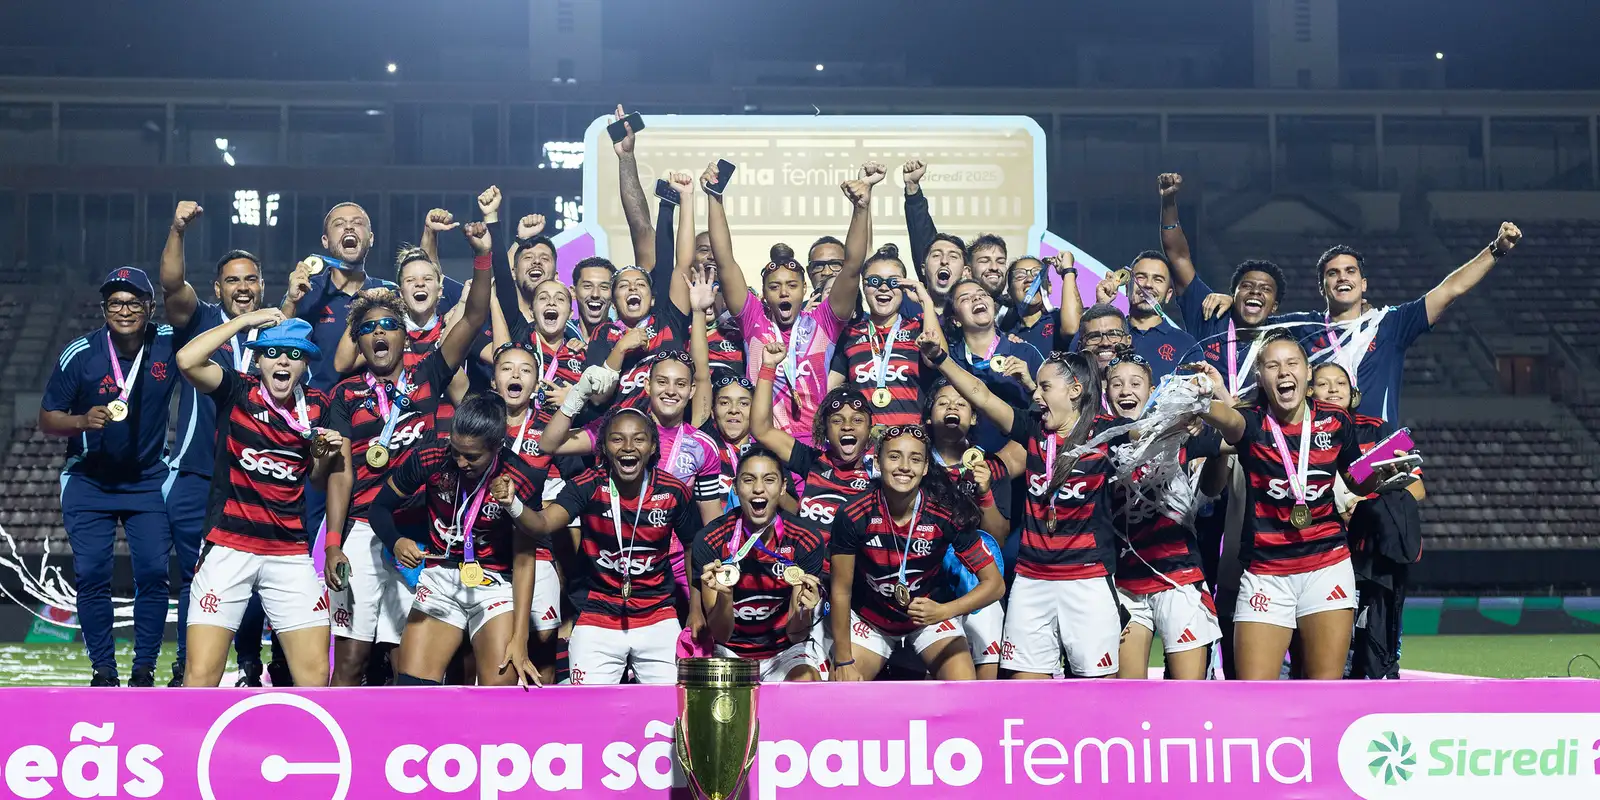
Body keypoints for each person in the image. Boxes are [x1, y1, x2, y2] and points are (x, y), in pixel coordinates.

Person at [321, 221, 495, 686]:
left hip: (419, 530)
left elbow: (474, 316)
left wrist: (482, 255)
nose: (379, 334)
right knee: (351, 661)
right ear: (359, 342)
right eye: (368, 329)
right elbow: (340, 473)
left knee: (410, 663)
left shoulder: (430, 372)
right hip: (362, 530)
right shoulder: (345, 395)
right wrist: (334, 543)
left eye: (388, 326)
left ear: (403, 334)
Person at [1189, 334, 1398, 680]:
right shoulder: (1252, 421)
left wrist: (1381, 475)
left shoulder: (1336, 420)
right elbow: (1229, 420)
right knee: (1254, 694)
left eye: (1292, 363)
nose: (1284, 371)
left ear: (1307, 373)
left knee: (1323, 690)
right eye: (1273, 365)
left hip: (1327, 566)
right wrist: (1201, 402)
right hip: (1265, 572)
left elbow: (1355, 479)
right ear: (1260, 378)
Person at [923, 338, 1124, 679]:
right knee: (1023, 691)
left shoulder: (1107, 435)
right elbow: (981, 396)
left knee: (1096, 695)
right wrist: (941, 359)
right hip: (1031, 580)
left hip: (1087, 579)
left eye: (1045, 387)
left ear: (1074, 391)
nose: (1036, 395)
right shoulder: (1033, 428)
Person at [174, 312, 341, 687]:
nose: (283, 361)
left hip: (289, 552)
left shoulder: (318, 406)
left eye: (294, 355)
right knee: (200, 677)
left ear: (304, 364)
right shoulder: (237, 389)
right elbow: (187, 360)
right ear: (259, 359)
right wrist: (246, 321)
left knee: (316, 678)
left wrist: (325, 457)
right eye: (273, 352)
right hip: (228, 548)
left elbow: (316, 479)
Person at [41, 266, 179, 687]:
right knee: (92, 576)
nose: (125, 310)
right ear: (104, 309)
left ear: (149, 307)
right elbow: (47, 418)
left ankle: (144, 669)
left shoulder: (169, 342)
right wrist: (81, 421)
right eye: (116, 303)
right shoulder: (81, 353)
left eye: (134, 302)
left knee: (154, 574)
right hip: (89, 481)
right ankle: (103, 670)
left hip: (148, 479)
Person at [159, 200, 277, 687]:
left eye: (250, 280)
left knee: (255, 578)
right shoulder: (202, 320)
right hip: (198, 473)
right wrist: (178, 229)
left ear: (262, 285)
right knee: (196, 576)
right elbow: (171, 285)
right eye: (232, 280)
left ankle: (250, 663)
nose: (242, 288)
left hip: (255, 478)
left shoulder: (279, 330)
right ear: (217, 288)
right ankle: (187, 668)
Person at [369, 392, 546, 687]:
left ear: (497, 447)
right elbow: (379, 508)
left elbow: (525, 560)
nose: (461, 462)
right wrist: (395, 541)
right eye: (456, 451)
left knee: (499, 691)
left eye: (472, 456)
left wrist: (520, 637)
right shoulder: (431, 457)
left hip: (494, 585)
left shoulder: (520, 477)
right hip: (441, 579)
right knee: (413, 688)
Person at [522, 408, 702, 685]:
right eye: (617, 439)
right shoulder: (587, 485)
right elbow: (543, 523)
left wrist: (695, 609)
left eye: (639, 439)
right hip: (597, 615)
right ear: (604, 448)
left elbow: (692, 546)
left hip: (658, 614)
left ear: (653, 446)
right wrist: (512, 503)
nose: (628, 447)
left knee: (671, 703)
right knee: (590, 705)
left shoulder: (673, 491)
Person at [708, 160, 875, 446]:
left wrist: (861, 209)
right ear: (763, 294)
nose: (784, 293)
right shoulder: (753, 319)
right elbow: (725, 262)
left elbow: (851, 267)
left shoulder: (824, 322)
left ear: (804, 289)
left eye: (792, 286)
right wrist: (714, 197)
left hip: (815, 445)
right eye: (774, 287)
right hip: (764, 444)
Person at [828, 425, 1004, 682]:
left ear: (925, 468)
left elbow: (995, 585)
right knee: (842, 688)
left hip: (929, 617)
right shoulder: (853, 514)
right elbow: (841, 591)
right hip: (872, 620)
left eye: (915, 459)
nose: (904, 467)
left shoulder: (946, 513)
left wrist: (944, 611)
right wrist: (844, 660)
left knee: (962, 685)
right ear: (877, 462)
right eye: (894, 456)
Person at [1302, 222, 1521, 421]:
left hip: (1379, 449)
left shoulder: (1390, 324)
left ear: (1364, 283)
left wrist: (1496, 249)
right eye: (1333, 273)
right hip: (1321, 447)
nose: (1342, 277)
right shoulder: (1301, 328)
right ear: (1321, 287)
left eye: (1350, 271)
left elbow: (1450, 289)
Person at [1102, 353, 1223, 680]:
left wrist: (1207, 422)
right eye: (1117, 384)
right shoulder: (1100, 441)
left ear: (1152, 389)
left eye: (1135, 383)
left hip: (1178, 578)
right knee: (1127, 697)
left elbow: (1226, 447)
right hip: (1126, 583)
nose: (1126, 391)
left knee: (1188, 696)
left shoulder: (1180, 430)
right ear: (1106, 392)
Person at [1310, 362, 1424, 679]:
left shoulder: (1379, 431)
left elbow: (1417, 490)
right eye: (1323, 383)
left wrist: (1365, 500)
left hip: (1369, 551)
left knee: (1373, 631)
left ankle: (1381, 665)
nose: (1333, 389)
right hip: (1319, 545)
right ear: (1310, 391)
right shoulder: (1298, 432)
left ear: (1354, 393)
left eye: (1340, 383)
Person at [691, 447, 827, 682]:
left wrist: (805, 609)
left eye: (769, 480)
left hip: (784, 651)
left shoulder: (805, 540)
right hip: (731, 652)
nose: (758, 488)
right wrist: (725, 596)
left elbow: (796, 635)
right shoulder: (710, 540)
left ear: (783, 487)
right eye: (748, 480)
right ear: (735, 487)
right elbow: (721, 634)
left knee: (805, 682)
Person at [490, 342, 567, 684]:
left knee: (544, 637)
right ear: (494, 380)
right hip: (486, 548)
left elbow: (565, 496)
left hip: (536, 546)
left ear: (536, 383)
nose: (516, 375)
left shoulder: (550, 429)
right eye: (507, 368)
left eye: (525, 369)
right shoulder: (481, 423)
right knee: (493, 640)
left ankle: (543, 705)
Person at [924, 382, 1010, 679]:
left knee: (987, 626)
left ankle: (985, 704)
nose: (951, 406)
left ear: (973, 417)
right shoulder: (915, 465)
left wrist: (984, 493)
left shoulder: (991, 466)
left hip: (976, 578)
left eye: (961, 403)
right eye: (942, 402)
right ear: (928, 417)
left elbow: (998, 538)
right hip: (927, 580)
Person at [283, 201, 393, 392]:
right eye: (339, 224)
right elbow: (279, 345)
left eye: (357, 223)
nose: (349, 227)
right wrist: (291, 301)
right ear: (325, 241)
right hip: (321, 404)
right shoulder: (308, 290)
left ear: (371, 238)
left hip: (377, 405)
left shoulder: (387, 293)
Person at [828, 244, 940, 429]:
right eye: (874, 281)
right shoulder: (850, 335)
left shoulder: (918, 329)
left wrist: (926, 301)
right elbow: (828, 389)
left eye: (893, 282)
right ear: (863, 285)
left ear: (904, 287)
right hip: (865, 439)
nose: (883, 287)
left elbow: (937, 359)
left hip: (909, 438)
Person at [1062, 251, 1196, 381]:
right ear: (1127, 288)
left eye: (1158, 279)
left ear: (1168, 295)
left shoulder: (1186, 344)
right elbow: (1075, 358)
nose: (1148, 285)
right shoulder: (1109, 336)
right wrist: (1101, 305)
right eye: (1141, 277)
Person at [945, 278, 1044, 451]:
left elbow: (1056, 411)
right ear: (956, 320)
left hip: (1019, 459)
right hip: (964, 458)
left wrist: (1030, 387)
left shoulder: (1025, 352)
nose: (977, 298)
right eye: (965, 298)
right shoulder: (950, 361)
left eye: (982, 294)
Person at [901, 159, 969, 319]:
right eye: (936, 256)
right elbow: (921, 235)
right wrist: (912, 188)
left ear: (966, 272)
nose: (944, 261)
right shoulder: (904, 309)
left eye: (953, 257)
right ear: (923, 268)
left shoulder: (976, 313)